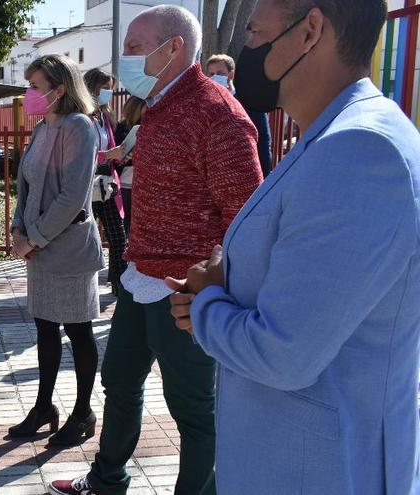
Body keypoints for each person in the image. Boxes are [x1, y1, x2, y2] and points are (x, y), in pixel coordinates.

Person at [167, 1, 420, 493]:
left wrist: (206, 303)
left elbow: (282, 354)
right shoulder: (330, 137)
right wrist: (221, 283)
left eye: (257, 33)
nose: (248, 48)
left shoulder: (359, 150)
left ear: (310, 31)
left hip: (322, 470)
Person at [49, 6, 262, 495]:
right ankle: (106, 480)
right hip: (139, 278)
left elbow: (247, 216)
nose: (124, 58)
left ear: (174, 49)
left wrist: (215, 287)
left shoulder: (218, 114)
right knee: (119, 382)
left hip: (187, 292)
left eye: (134, 48)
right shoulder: (158, 109)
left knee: (193, 409)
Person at [9, 54, 104, 448]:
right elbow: (24, 186)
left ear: (59, 88)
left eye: (35, 86)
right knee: (45, 331)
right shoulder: (41, 129)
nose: (29, 94)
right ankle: (44, 407)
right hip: (38, 249)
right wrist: (17, 229)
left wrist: (34, 238)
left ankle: (83, 412)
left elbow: (72, 198)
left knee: (79, 332)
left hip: (69, 250)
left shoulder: (79, 127)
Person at [83, 68, 127, 296]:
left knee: (118, 236)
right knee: (86, 237)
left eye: (111, 89)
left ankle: (120, 284)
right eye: (105, 89)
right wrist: (108, 154)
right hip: (86, 186)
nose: (109, 93)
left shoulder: (106, 117)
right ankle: (83, 285)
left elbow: (109, 149)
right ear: (92, 89)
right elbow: (82, 154)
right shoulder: (82, 118)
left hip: (107, 184)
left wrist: (119, 155)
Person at [206, 53, 274, 176]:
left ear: (231, 74)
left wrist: (264, 174)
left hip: (248, 171)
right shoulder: (206, 104)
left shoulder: (250, 102)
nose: (214, 77)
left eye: (220, 73)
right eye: (211, 74)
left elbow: (263, 139)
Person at [110, 97, 146, 239]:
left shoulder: (150, 125)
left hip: (143, 183)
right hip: (124, 183)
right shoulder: (121, 127)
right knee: (126, 225)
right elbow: (114, 155)